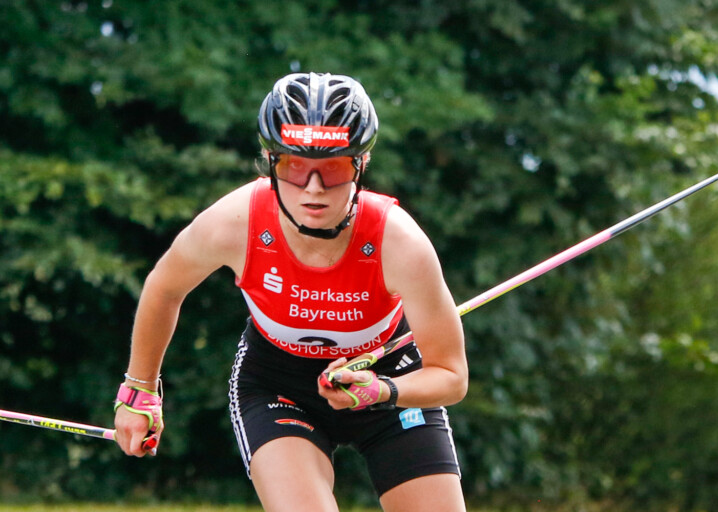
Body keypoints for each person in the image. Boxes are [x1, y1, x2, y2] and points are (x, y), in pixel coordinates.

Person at [114, 72, 468, 512]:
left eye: (333, 168)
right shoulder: (234, 223)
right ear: (269, 160)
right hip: (277, 386)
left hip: (387, 379)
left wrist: (381, 391)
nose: (313, 188)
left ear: (361, 164)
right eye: (294, 166)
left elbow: (452, 377)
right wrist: (139, 390)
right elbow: (164, 288)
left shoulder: (401, 244)